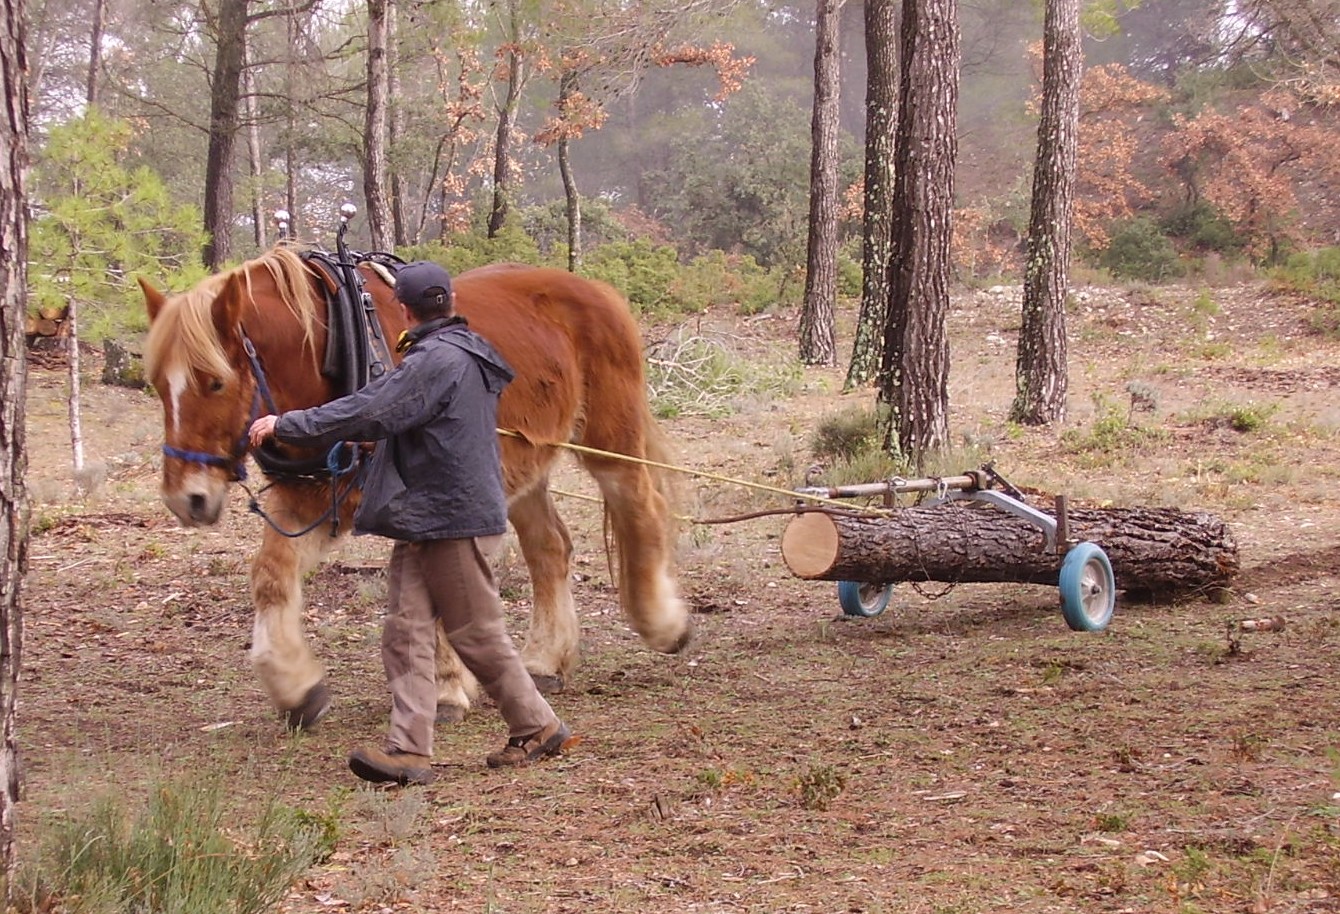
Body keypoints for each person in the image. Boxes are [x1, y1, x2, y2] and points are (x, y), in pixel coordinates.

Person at [248, 260, 569, 786]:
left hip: (454, 520)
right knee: (405, 632)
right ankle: (409, 750)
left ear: (403, 308)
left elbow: (374, 407)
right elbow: (418, 423)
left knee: (476, 635)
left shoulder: (436, 360)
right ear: (450, 302)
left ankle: (538, 726)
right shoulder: (459, 353)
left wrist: (289, 423)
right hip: (428, 516)